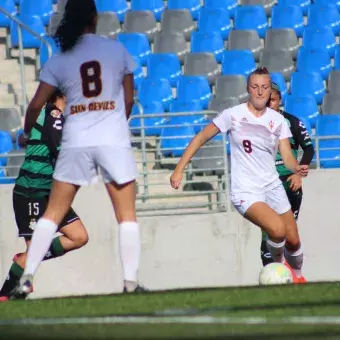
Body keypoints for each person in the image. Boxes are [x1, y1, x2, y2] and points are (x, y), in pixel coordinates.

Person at [13, 0, 145, 298]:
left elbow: (36, 106)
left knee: (52, 213)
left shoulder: (60, 59)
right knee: (126, 215)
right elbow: (127, 100)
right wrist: (115, 126)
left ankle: (26, 276)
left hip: (76, 139)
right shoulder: (117, 51)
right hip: (111, 138)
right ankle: (130, 283)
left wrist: (27, 131)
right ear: (95, 18)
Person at [170, 67, 308, 283]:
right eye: (255, 87)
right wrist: (179, 168)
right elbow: (200, 137)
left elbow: (287, 156)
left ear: (270, 91)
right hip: (245, 190)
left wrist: (296, 168)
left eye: (265, 87)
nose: (260, 92)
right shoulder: (233, 114)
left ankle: (299, 278)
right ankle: (280, 270)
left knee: (293, 239)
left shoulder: (278, 120)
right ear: (248, 89)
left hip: (272, 185)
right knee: (277, 230)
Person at [0, 89, 88, 301]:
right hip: (32, 191)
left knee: (79, 236)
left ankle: (24, 261)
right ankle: (4, 294)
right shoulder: (53, 115)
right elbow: (61, 152)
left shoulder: (59, 117)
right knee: (30, 266)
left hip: (49, 192)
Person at [260, 82, 315, 266]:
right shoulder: (256, 124)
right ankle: (273, 277)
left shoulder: (291, 122)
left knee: (289, 235)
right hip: (266, 184)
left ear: (280, 101)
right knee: (268, 233)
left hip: (288, 183)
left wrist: (298, 174)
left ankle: (292, 275)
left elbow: (308, 149)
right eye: (266, 101)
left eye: (273, 101)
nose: (269, 105)